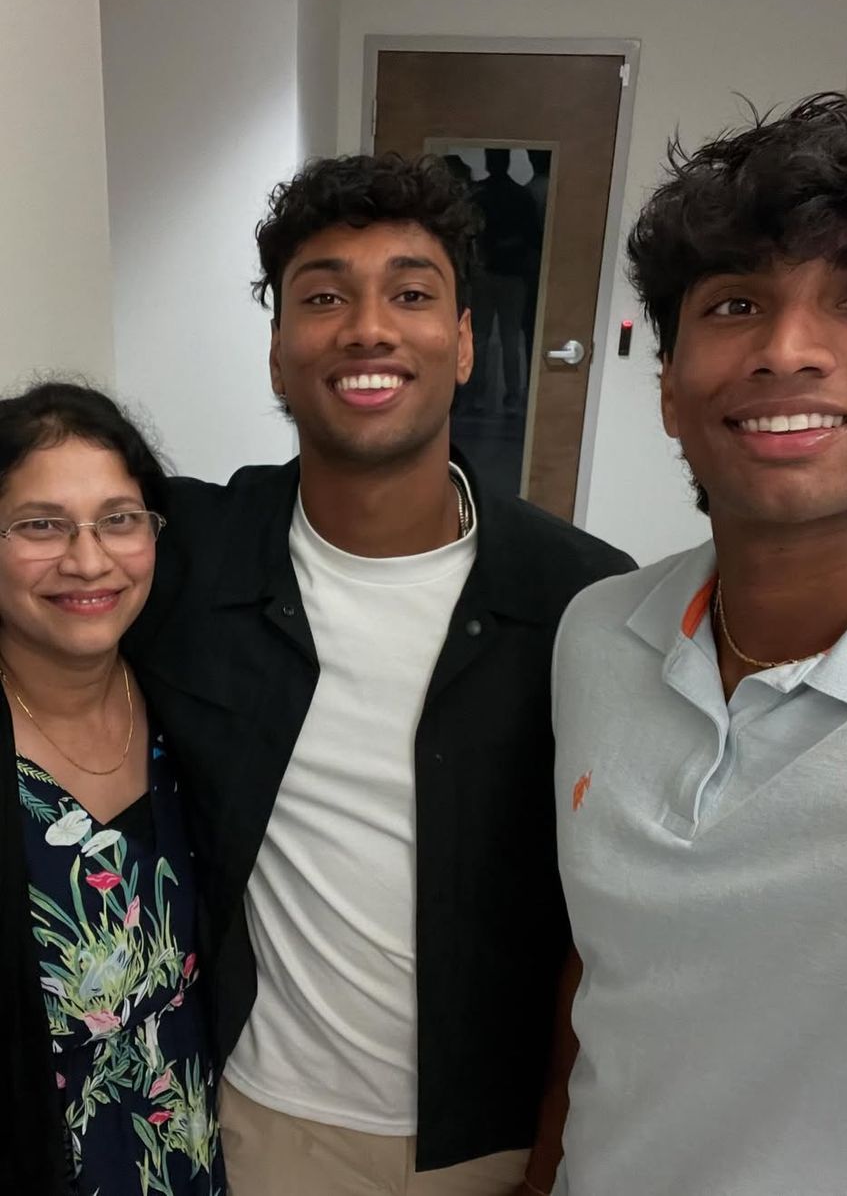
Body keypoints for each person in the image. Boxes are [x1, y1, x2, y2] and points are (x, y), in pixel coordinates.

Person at [124, 153, 634, 1196]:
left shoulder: (578, 597)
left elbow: (608, 919)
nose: (366, 327)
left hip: (485, 1137)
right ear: (276, 352)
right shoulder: (185, 558)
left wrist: (550, 1156)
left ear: (460, 342)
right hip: (265, 1119)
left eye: (410, 292)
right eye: (322, 296)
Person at [552, 92, 847, 1195]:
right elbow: (612, 973)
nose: (787, 349)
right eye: (736, 302)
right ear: (667, 389)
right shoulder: (599, 631)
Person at [0, 382, 224, 1194]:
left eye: (119, 519)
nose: (88, 559)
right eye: (40, 525)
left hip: (195, 1155)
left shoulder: (187, 698)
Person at [467, 149, 543, 413]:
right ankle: (512, 397)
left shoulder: (478, 194)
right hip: (514, 274)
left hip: (484, 273)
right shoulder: (521, 195)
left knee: (480, 337)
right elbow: (534, 238)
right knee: (511, 339)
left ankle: (476, 395)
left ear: (488, 160)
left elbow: (468, 233)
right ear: (508, 161)